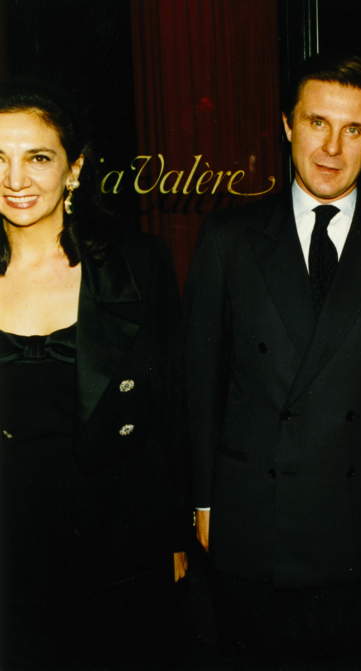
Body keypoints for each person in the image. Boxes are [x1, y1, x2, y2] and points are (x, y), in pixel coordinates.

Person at [184, 53, 361, 669]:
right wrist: (202, 502)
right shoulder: (229, 238)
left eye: (353, 129)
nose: (332, 147)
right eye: (317, 122)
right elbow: (199, 383)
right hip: (252, 517)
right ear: (287, 125)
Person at [0, 81, 188, 668]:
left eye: (37, 157)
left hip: (112, 541)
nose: (15, 179)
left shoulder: (139, 265)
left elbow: (170, 412)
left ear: (74, 169)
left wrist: (173, 536)